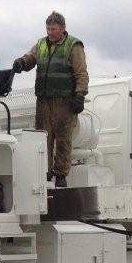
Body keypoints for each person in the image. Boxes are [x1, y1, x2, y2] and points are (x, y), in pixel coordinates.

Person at [13, 11, 89, 188]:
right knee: (42, 137)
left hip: (64, 101)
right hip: (44, 100)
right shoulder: (41, 44)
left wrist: (80, 95)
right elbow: (31, 57)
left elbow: (81, 73)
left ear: (62, 28)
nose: (50, 32)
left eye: (53, 29)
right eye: (48, 29)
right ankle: (44, 173)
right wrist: (22, 62)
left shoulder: (73, 45)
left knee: (63, 139)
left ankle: (61, 176)